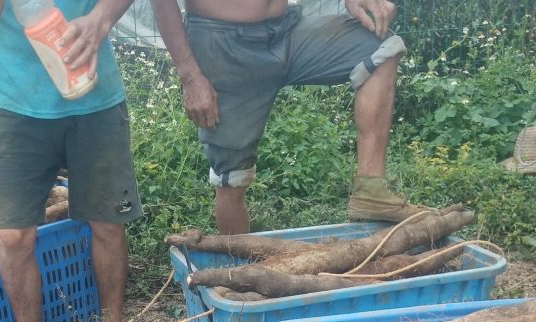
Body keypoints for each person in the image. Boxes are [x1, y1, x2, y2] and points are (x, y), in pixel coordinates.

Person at [0, 0, 141, 322]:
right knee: (13, 235)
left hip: (95, 94)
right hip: (9, 97)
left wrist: (101, 18)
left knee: (109, 221)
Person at [150, 0, 422, 234]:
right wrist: (190, 76)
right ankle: (236, 273)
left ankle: (371, 190)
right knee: (232, 178)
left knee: (380, 47)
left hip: (286, 31)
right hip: (221, 44)